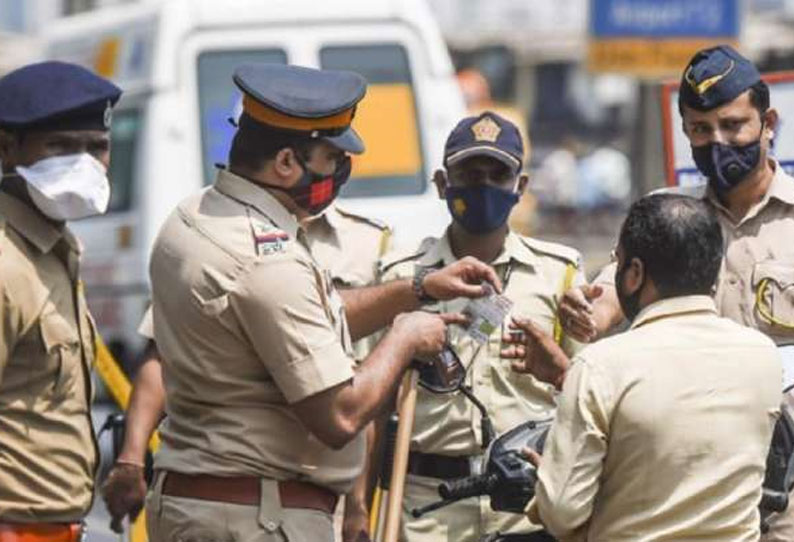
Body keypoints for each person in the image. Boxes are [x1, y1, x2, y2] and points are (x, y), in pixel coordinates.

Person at [144, 63, 500, 542]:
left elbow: (299, 319)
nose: (340, 171)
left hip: (206, 503)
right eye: (332, 157)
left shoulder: (194, 216)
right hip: (256, 516)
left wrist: (417, 287)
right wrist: (404, 336)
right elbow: (341, 415)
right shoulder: (266, 260)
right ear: (287, 162)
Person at [557, 44, 794, 540]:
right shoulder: (666, 216)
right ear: (684, 130)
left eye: (733, 125)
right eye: (700, 130)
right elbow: (610, 297)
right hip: (689, 481)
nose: (718, 142)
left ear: (769, 123)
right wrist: (585, 311)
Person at [101, 202, 393, 540]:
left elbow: (365, 396)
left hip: (325, 492)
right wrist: (132, 456)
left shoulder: (370, 243)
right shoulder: (212, 233)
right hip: (228, 490)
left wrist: (359, 506)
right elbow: (160, 358)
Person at [502, 194, 782, 541]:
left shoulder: (601, 365)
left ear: (634, 273)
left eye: (618, 262)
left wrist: (547, 486)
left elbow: (562, 513)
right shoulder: (763, 356)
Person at [379, 111, 584, 542]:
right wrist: (359, 507)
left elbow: (585, 397)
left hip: (527, 508)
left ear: (520, 188)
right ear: (442, 184)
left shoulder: (558, 272)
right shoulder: (401, 280)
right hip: (428, 510)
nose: (484, 186)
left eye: (497, 175)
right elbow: (373, 407)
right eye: (469, 174)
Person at [0, 61, 121, 541]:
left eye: (97, 148)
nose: (85, 164)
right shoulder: (7, 263)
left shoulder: (55, 251)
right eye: (62, 147)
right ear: (7, 148)